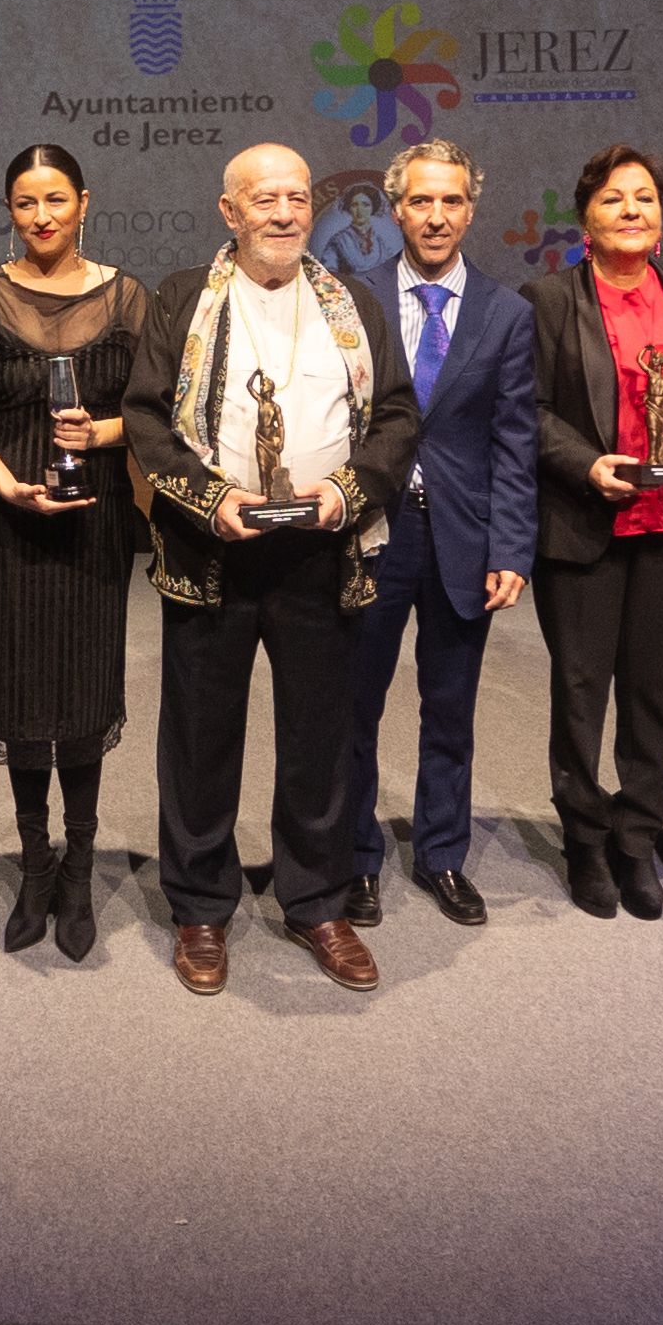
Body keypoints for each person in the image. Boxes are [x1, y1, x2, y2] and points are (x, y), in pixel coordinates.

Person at [122, 143, 419, 995]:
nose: (284, 213)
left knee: (319, 739)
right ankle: (200, 907)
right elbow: (145, 418)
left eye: (296, 196)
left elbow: (395, 414)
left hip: (323, 551)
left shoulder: (351, 301)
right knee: (199, 738)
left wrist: (347, 488)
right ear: (229, 211)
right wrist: (205, 497)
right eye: (264, 199)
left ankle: (315, 898)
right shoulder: (183, 297)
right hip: (213, 549)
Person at [0, 143, 152, 961]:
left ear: (83, 202)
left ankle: (80, 863)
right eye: (25, 202)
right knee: (21, 693)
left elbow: (157, 407)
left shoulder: (129, 296)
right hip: (5, 524)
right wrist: (5, 487)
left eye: (55, 200)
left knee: (83, 695)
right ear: (9, 210)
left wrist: (101, 430)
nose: (41, 216)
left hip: (93, 524)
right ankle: (36, 862)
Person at [338, 138, 534, 930]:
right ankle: (354, 859)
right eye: (420, 200)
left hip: (463, 538)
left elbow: (516, 441)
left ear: (469, 210)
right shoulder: (350, 299)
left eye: (450, 201)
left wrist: (511, 549)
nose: (435, 215)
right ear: (396, 210)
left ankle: (443, 855)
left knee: (448, 707)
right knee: (355, 705)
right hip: (372, 533)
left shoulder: (506, 311)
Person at [523, 143, 663, 924]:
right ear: (584, 219)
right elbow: (525, 411)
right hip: (585, 524)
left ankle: (637, 837)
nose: (631, 209)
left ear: (661, 220)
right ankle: (582, 835)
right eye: (613, 198)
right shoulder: (546, 301)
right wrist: (583, 462)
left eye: (644, 198)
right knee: (579, 692)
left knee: (651, 692)